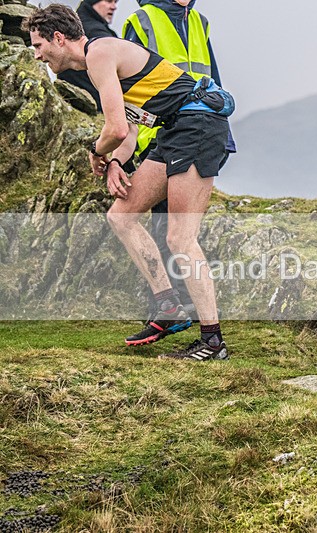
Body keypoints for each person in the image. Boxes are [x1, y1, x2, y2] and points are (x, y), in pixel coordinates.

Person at [25, 3, 232, 361]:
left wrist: (96, 152)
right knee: (121, 216)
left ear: (58, 38)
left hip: (198, 126)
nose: (37, 55)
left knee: (180, 237)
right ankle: (168, 307)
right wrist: (117, 161)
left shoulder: (100, 52)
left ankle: (213, 341)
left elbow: (115, 129)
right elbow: (131, 128)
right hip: (175, 129)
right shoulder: (98, 61)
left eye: (38, 45)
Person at [121, 0, 237, 322]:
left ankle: (182, 310)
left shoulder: (199, 21)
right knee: (166, 229)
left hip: (197, 133)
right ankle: (171, 308)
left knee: (178, 232)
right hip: (157, 136)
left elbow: (213, 82)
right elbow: (126, 85)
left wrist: (224, 137)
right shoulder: (142, 19)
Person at [56, 0, 119, 112]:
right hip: (97, 107)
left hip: (76, 103)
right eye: (109, 1)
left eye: (115, 2)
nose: (114, 7)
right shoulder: (94, 32)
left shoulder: (74, 26)